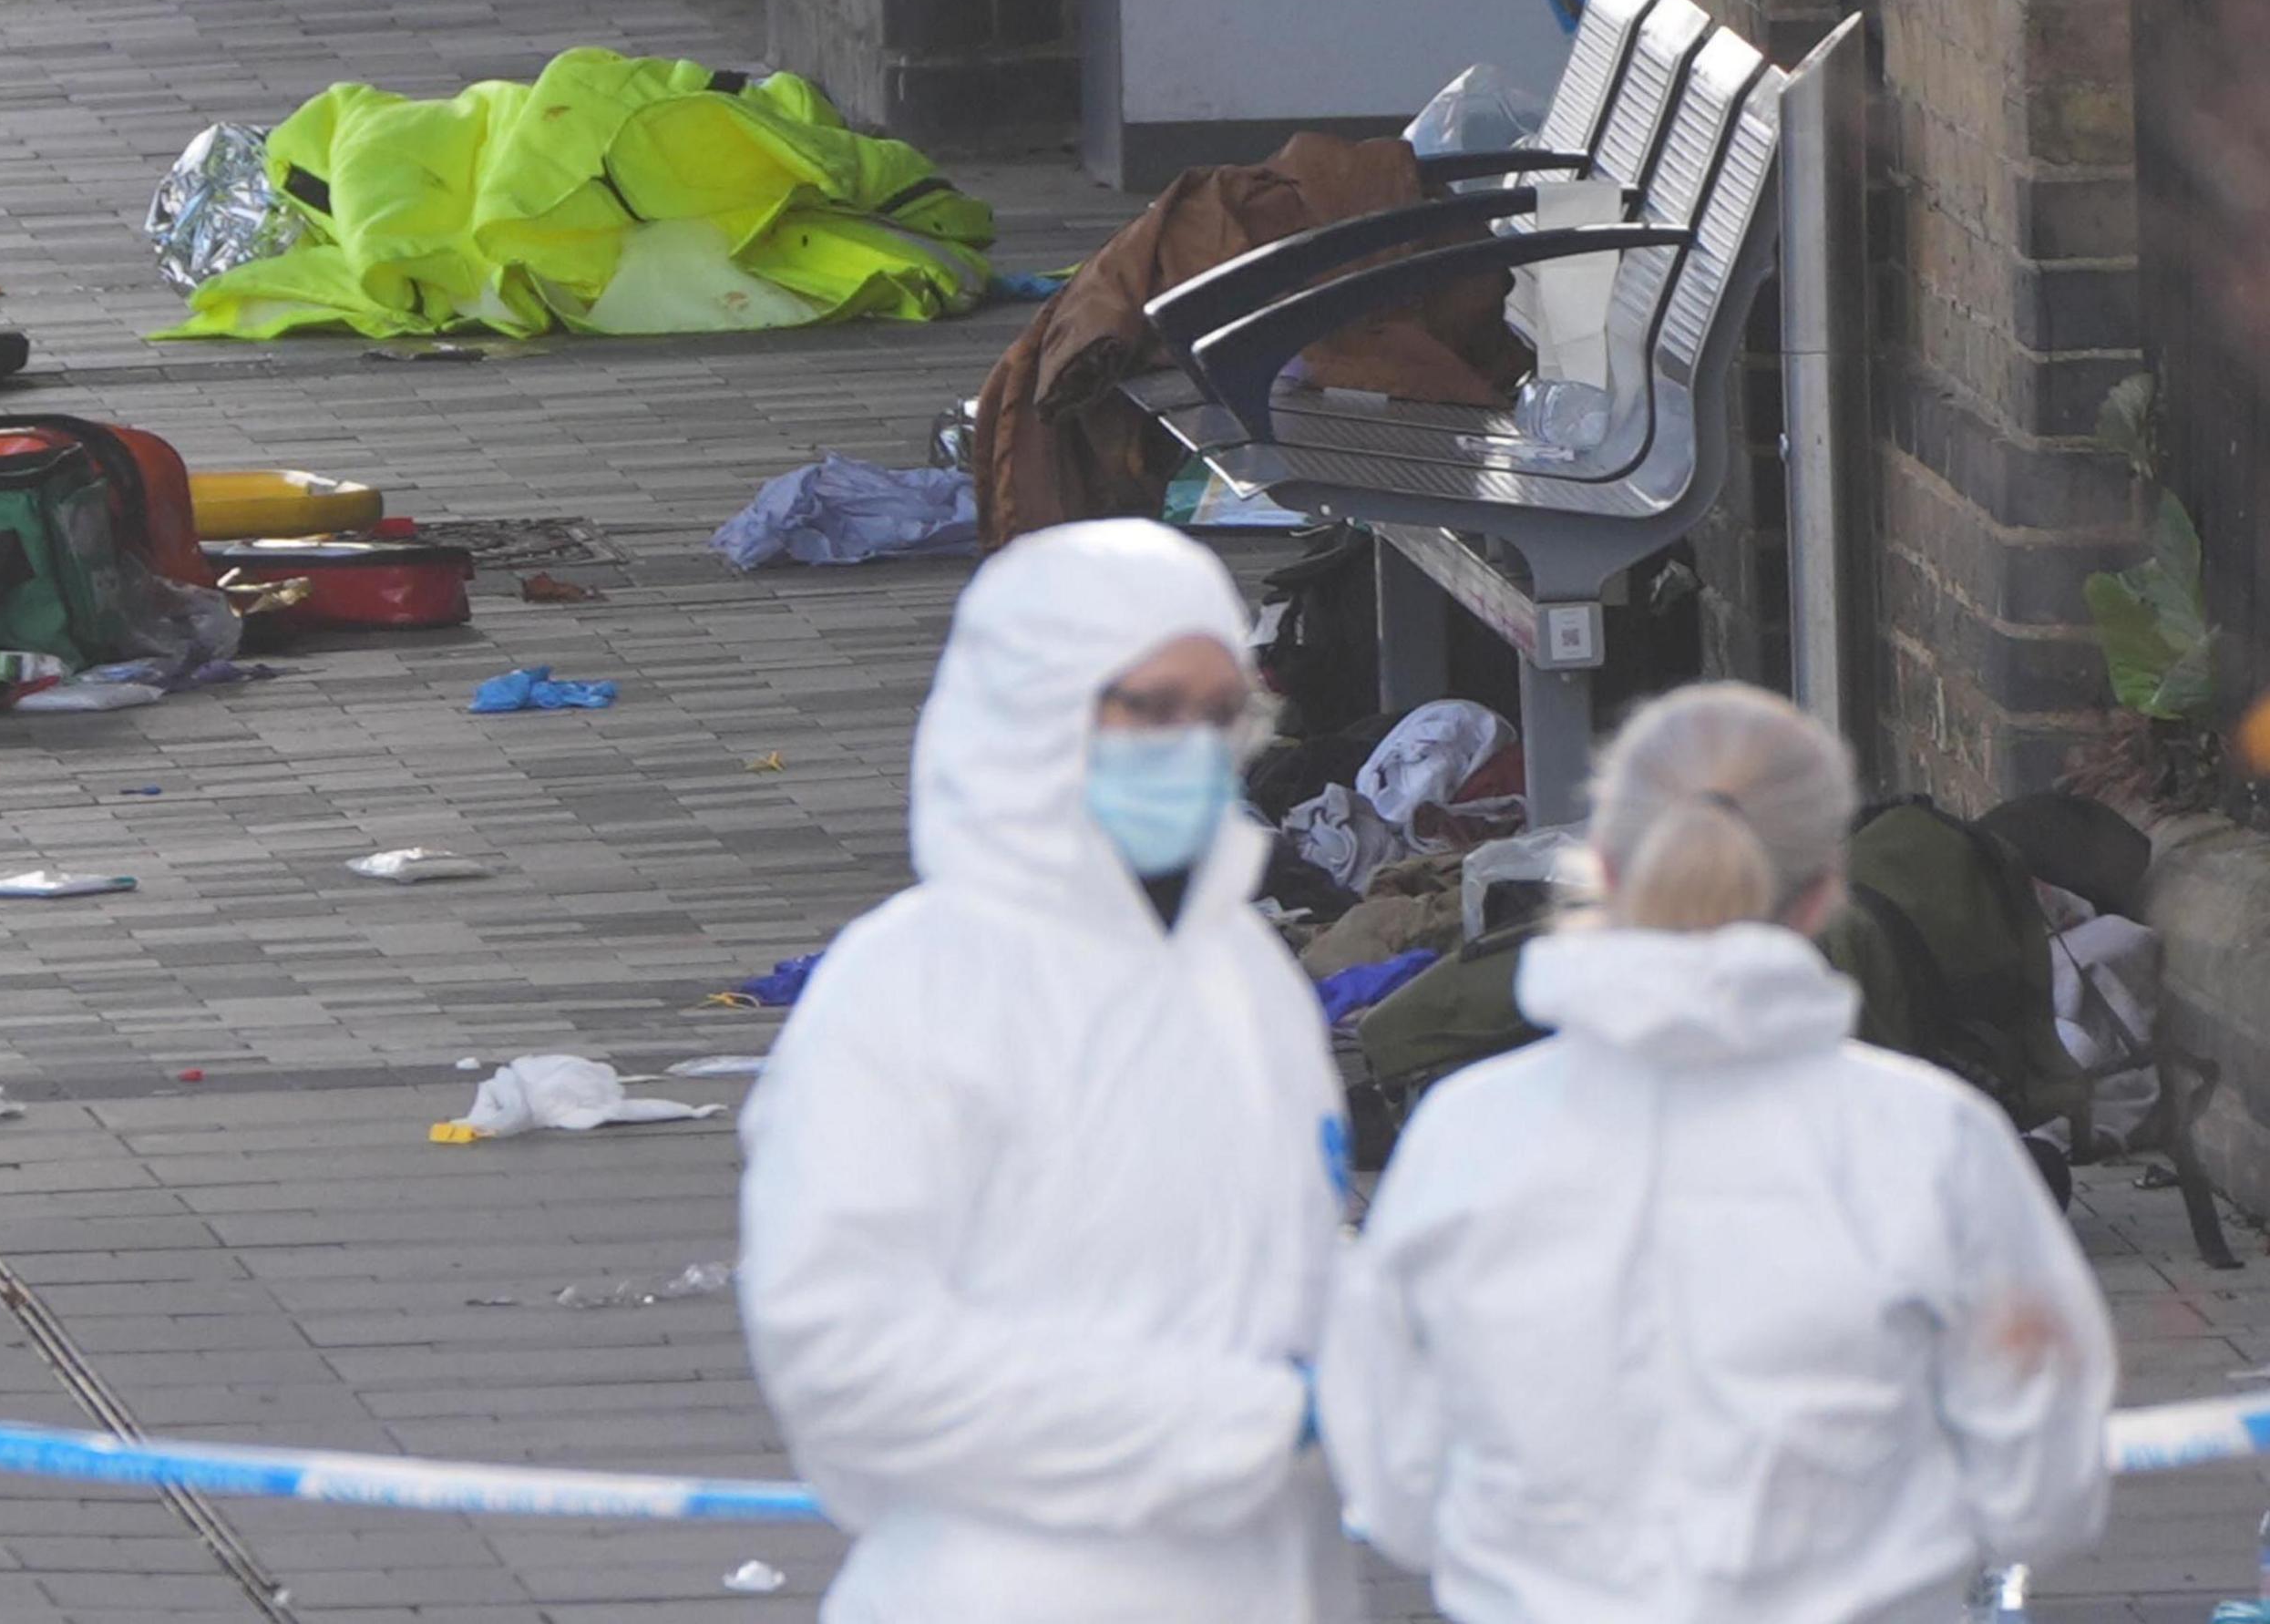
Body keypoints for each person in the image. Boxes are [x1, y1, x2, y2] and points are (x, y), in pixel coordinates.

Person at [1319, 684, 2115, 1623]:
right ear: (1825, 890)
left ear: (1600, 875)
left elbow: (1390, 1474)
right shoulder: (1935, 1140)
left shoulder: (1468, 1135)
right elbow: (2046, 1480)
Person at [737, 519, 1357, 1622]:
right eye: (1150, 709)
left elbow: (1281, 1269)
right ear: (1037, 709)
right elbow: (849, 1359)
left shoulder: (1243, 976)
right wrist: (1228, 1424)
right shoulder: (916, 987)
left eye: (1221, 715)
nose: (1192, 749)